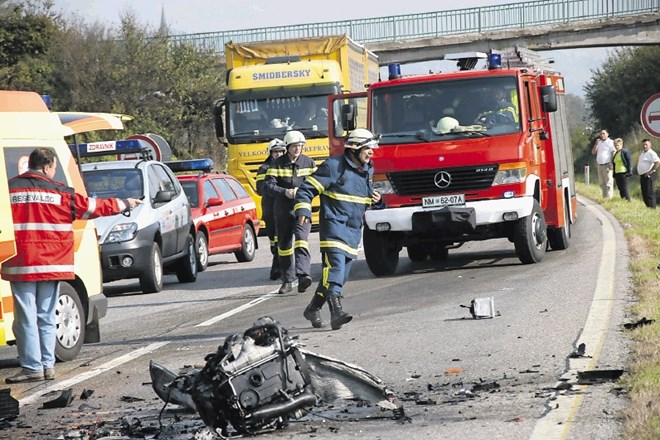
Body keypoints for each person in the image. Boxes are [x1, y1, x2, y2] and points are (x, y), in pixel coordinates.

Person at [2, 148, 142, 383]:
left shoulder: (9, 190)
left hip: (21, 263)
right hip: (51, 264)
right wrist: (124, 203)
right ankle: (47, 366)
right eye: (54, 168)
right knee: (46, 316)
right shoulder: (61, 193)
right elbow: (94, 207)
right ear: (47, 167)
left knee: (26, 317)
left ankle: (32, 367)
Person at [294, 128, 382, 330]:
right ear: (355, 149)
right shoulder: (333, 166)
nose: (371, 153)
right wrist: (304, 211)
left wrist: (377, 200)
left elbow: (361, 197)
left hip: (352, 230)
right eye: (368, 148)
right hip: (333, 226)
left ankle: (313, 309)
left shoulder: (367, 169)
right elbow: (306, 190)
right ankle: (337, 312)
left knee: (338, 277)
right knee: (336, 269)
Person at [264, 130, 317, 294]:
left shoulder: (309, 163)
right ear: (288, 147)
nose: (297, 149)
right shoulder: (276, 164)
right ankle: (287, 280)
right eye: (294, 146)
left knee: (302, 240)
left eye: (300, 146)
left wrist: (302, 193)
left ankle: (303, 276)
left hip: (302, 207)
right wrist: (284, 192)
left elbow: (316, 184)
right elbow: (268, 186)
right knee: (285, 245)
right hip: (282, 209)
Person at [256, 138, 286, 280]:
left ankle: (279, 268)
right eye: (275, 152)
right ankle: (277, 264)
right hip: (270, 208)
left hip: (284, 207)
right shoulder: (264, 168)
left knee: (284, 238)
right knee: (274, 239)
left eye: (281, 151)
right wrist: (279, 190)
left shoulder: (287, 166)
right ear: (270, 153)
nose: (278, 154)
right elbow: (261, 189)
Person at [591, 129, 616, 199]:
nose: (602, 135)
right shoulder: (599, 142)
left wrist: (612, 163)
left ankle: (609, 198)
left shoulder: (610, 142)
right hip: (600, 165)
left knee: (608, 182)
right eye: (601, 134)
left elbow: (613, 152)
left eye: (604, 133)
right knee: (602, 183)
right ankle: (604, 197)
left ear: (607, 134)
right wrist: (596, 144)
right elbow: (593, 152)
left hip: (607, 164)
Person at [636, 138, 660, 209]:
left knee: (649, 192)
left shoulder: (651, 153)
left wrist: (650, 171)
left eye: (646, 144)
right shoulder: (643, 153)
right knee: (644, 192)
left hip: (649, 175)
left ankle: (652, 208)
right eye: (643, 145)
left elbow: (657, 162)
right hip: (643, 175)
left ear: (650, 145)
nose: (645, 146)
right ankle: (648, 207)